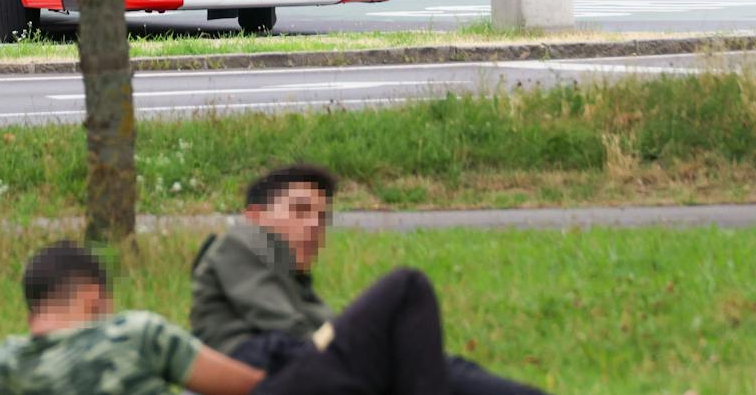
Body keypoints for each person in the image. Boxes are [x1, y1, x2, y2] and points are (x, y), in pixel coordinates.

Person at [191, 165, 548, 395]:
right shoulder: (241, 239)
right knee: (406, 287)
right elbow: (291, 332)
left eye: (322, 217)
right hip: (274, 377)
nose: (315, 226)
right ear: (254, 217)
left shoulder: (295, 283)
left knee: (449, 368)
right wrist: (369, 353)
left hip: (303, 373)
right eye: (300, 211)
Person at [0, 238, 466, 395]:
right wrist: (319, 358)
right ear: (94, 298)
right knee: (405, 288)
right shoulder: (132, 333)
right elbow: (248, 385)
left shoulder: (5, 365)